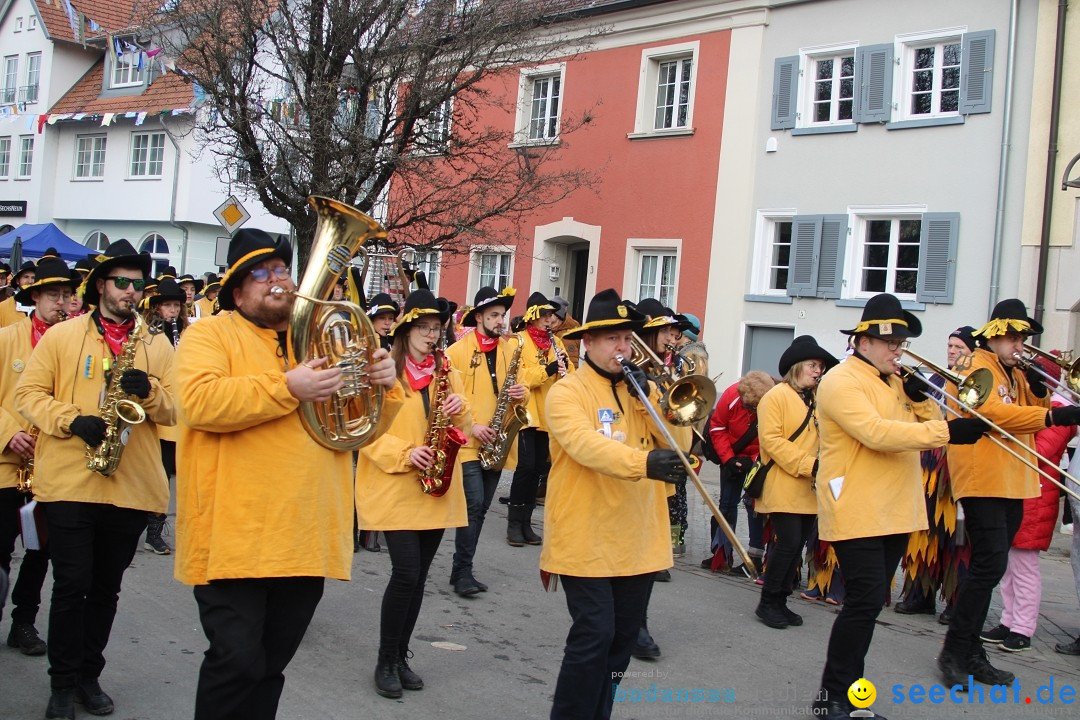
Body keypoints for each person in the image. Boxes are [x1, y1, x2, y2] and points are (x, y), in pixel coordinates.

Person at [174, 228, 401, 720]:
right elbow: (199, 402)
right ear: (237, 291)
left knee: (271, 666)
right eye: (262, 274)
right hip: (234, 538)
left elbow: (357, 429)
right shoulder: (208, 334)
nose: (278, 280)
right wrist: (287, 387)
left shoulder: (319, 337)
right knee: (235, 662)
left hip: (305, 537)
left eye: (281, 270)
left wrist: (387, 386)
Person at [15, 240, 175, 719]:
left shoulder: (157, 343)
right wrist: (70, 419)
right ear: (101, 286)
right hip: (69, 480)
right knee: (71, 584)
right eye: (121, 282)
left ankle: (89, 674)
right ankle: (61, 684)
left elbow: (178, 409)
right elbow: (28, 394)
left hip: (130, 485)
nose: (130, 291)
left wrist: (149, 393)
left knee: (106, 588)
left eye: (137, 284)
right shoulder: (63, 336)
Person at [810, 293, 989, 720]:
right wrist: (948, 431)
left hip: (892, 507)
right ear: (863, 341)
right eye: (889, 342)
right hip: (856, 505)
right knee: (864, 603)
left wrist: (921, 399)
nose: (898, 350)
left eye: (902, 342)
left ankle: (850, 698)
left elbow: (915, 426)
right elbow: (876, 433)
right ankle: (833, 697)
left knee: (870, 605)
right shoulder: (841, 380)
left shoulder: (892, 380)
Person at [541, 289, 690, 720]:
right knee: (593, 636)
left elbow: (679, 446)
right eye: (611, 339)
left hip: (637, 539)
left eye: (627, 339)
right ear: (588, 342)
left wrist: (655, 401)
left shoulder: (641, 389)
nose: (622, 349)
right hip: (584, 537)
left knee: (622, 642)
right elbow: (586, 446)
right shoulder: (567, 392)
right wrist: (643, 463)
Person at [938, 299, 1080, 688]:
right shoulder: (974, 365)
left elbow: (1027, 413)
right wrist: (1050, 415)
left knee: (992, 566)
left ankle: (969, 650)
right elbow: (991, 414)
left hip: (1014, 478)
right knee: (987, 566)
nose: (1021, 343)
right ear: (998, 333)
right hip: (983, 476)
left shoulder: (1011, 369)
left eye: (1024, 337)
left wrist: (1037, 391)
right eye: (1015, 336)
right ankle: (955, 650)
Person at [354, 289, 472, 700]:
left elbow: (465, 423)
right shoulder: (381, 368)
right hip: (393, 486)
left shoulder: (445, 369)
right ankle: (385, 660)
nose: (430, 334)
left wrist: (461, 406)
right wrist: (406, 453)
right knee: (404, 574)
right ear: (405, 330)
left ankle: (401, 656)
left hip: (435, 487)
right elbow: (362, 430)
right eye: (422, 327)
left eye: (436, 328)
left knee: (419, 578)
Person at [0, 258, 78, 657]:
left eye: (67, 295)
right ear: (35, 297)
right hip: (5, 466)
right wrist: (7, 433)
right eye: (53, 295)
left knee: (39, 552)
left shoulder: (71, 342)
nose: (61, 302)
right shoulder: (6, 337)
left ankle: (24, 622)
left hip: (50, 466)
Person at [980, 355, 1076, 651]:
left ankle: (1023, 628)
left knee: (1024, 567)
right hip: (1020, 490)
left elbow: (1039, 451)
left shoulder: (1060, 410)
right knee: (1009, 565)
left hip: (1037, 494)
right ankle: (1009, 620)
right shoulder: (1034, 405)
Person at [446, 286, 526, 596]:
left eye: (502, 315)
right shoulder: (457, 352)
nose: (500, 321)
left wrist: (523, 393)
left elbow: (518, 389)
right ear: (478, 317)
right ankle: (462, 571)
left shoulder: (509, 350)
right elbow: (450, 397)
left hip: (498, 440)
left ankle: (461, 569)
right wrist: (473, 425)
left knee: (480, 510)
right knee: (474, 503)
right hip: (468, 440)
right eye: (493, 315)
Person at [754, 336, 837, 629]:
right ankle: (767, 601)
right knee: (788, 544)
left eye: (821, 366)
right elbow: (772, 441)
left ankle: (780, 600)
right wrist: (809, 465)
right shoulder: (775, 397)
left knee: (796, 545)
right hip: (783, 482)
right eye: (813, 365)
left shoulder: (815, 398)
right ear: (797, 366)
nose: (818, 371)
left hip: (807, 486)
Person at [895, 326, 977, 622]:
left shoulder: (976, 383)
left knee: (958, 539)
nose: (953, 352)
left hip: (959, 468)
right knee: (924, 532)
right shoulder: (938, 379)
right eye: (950, 346)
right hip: (931, 466)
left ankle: (957, 603)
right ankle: (920, 595)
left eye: (960, 348)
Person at [506, 291, 573, 546]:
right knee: (525, 467)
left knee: (538, 469)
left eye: (551, 316)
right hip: (524, 413)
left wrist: (566, 370)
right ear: (533, 316)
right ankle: (513, 522)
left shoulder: (556, 343)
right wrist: (549, 369)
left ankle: (526, 521)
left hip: (547, 414)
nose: (549, 320)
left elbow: (569, 374)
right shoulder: (518, 342)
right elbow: (520, 377)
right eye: (544, 315)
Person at [705, 371, 775, 573]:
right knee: (726, 505)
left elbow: (771, 436)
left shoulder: (770, 402)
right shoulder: (730, 396)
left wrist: (752, 461)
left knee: (755, 505)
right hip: (731, 455)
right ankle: (721, 555)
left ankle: (755, 557)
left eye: (754, 408)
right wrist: (728, 459)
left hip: (756, 459)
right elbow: (717, 428)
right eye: (748, 407)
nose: (750, 411)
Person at [141, 276, 188, 555]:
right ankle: (151, 530)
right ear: (156, 308)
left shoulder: (186, 330)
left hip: (180, 412)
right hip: (157, 414)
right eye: (167, 305)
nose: (172, 311)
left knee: (175, 475)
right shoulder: (149, 334)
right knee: (157, 476)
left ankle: (155, 530)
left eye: (175, 306)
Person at [0, 260, 36, 328]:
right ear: (17, 281)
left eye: (33, 278)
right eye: (26, 277)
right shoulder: (3, 306)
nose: (30, 281)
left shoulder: (43, 306)